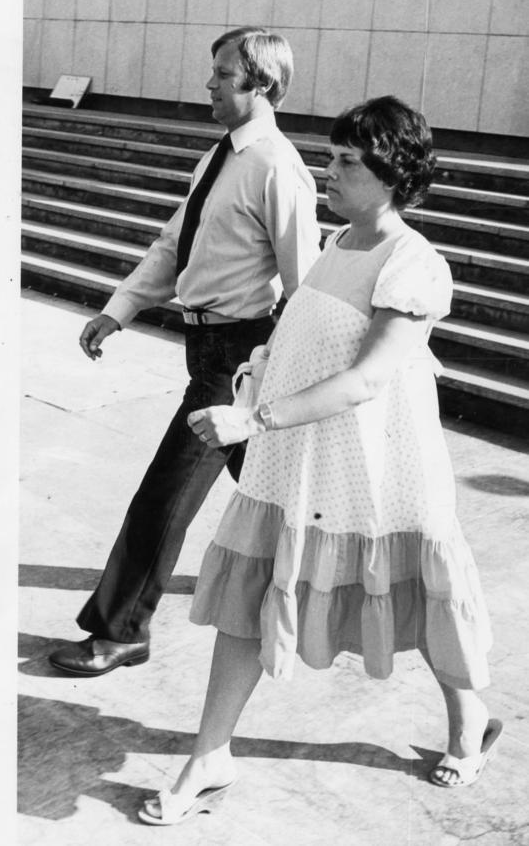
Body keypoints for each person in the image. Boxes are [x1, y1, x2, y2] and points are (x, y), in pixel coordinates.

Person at [138, 96, 501, 826]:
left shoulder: (415, 264)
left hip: (376, 472)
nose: (326, 169)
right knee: (248, 600)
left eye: (345, 160)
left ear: (392, 175)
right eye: (330, 155)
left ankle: (468, 720)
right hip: (294, 461)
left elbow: (368, 379)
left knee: (418, 602)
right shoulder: (339, 242)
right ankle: (210, 754)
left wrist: (252, 417)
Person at [49, 27, 321, 677]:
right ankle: (330, 576)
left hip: (236, 357)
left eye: (224, 76)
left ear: (263, 85)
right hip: (204, 346)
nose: (209, 85)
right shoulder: (220, 158)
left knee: (163, 495)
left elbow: (305, 284)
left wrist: (274, 374)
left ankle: (121, 629)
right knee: (273, 486)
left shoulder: (278, 169)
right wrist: (119, 310)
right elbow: (175, 246)